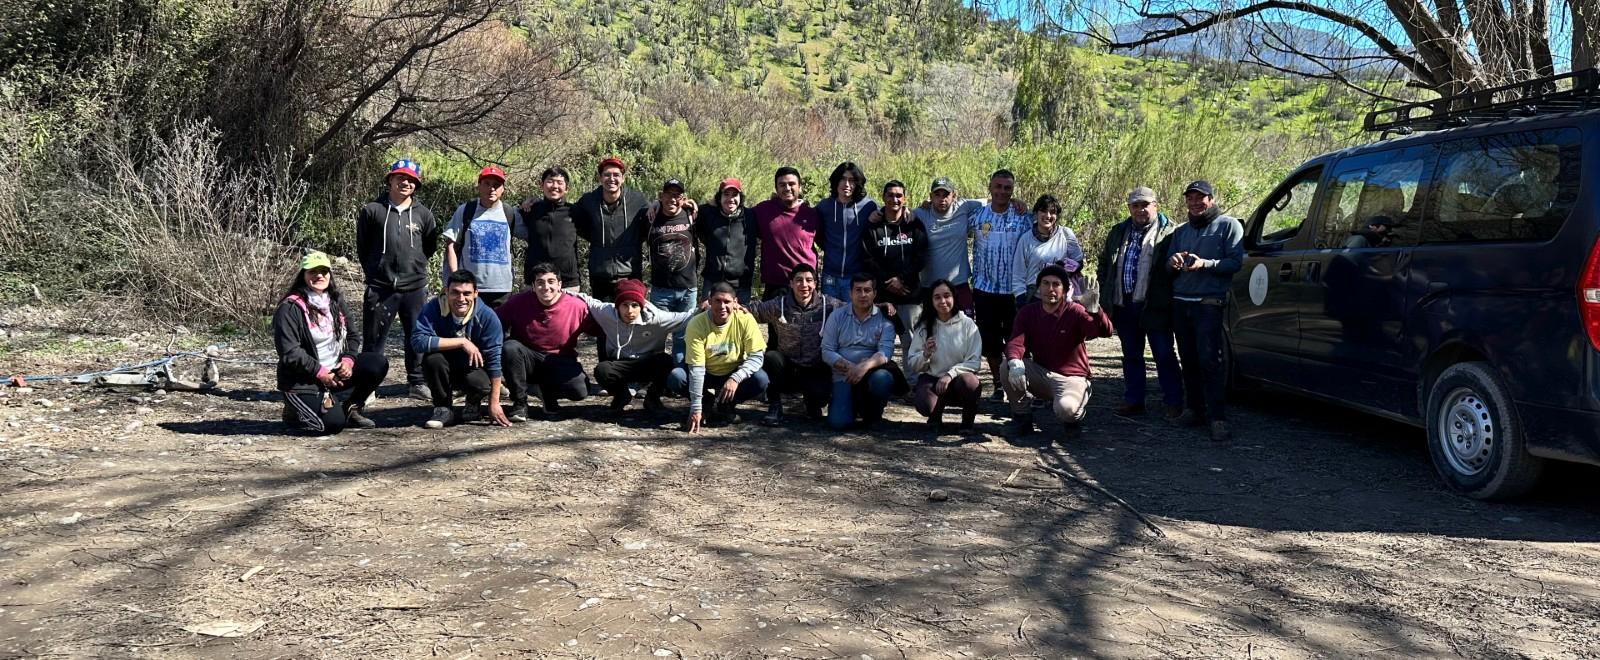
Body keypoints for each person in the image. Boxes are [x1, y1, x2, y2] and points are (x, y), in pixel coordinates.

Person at [274, 251, 387, 434]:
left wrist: (348, 361)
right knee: (333, 425)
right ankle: (295, 411)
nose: (319, 275)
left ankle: (352, 408)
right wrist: (320, 373)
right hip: (304, 380)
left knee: (377, 363)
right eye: (313, 271)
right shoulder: (289, 308)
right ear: (303, 275)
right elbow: (290, 353)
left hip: (334, 372)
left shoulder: (335, 300)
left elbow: (353, 336)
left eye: (324, 271)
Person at [1166, 180, 1245, 441]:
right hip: (1181, 301)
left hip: (1208, 302)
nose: (1195, 203)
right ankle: (1194, 410)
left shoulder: (1228, 225)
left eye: (1200, 198)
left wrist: (1205, 264)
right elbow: (1167, 267)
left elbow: (1235, 262)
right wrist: (1173, 261)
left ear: (1211, 199)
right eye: (1190, 198)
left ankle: (1217, 417)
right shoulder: (1181, 231)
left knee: (1210, 360)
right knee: (1188, 359)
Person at [1095, 186, 1183, 418]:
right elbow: (1104, 263)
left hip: (1155, 305)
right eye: (1135, 205)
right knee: (1131, 355)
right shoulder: (1118, 231)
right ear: (1129, 208)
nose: (1140, 209)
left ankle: (1174, 401)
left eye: (1145, 205)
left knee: (1163, 354)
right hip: (1124, 304)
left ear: (1155, 205)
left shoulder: (1171, 232)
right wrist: (1106, 290)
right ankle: (1134, 400)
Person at [355, 159, 439, 401]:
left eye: (411, 180)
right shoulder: (372, 210)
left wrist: (413, 267)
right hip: (381, 287)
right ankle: (368, 386)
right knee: (374, 340)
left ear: (416, 185)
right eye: (400, 177)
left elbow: (429, 246)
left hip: (415, 287)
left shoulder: (424, 214)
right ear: (390, 180)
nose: (405, 183)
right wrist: (376, 272)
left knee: (417, 336)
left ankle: (417, 382)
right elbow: (363, 247)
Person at [1003, 265, 1113, 439]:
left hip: (1072, 378)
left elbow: (1103, 331)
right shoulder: (1028, 313)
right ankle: (1022, 417)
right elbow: (1016, 342)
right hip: (1042, 374)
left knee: (1066, 409)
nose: (1050, 289)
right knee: (1007, 366)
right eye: (1045, 283)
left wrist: (1095, 311)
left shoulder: (1075, 311)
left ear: (1065, 290)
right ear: (1039, 288)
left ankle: (1072, 420)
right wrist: (1015, 361)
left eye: (1056, 284)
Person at [496, 263, 600, 421]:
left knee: (580, 390)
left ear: (559, 284)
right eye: (540, 282)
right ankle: (520, 403)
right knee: (510, 347)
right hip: (527, 359)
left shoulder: (577, 307)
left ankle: (545, 392)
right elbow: (494, 324)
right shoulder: (517, 302)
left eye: (551, 282)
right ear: (533, 286)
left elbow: (600, 331)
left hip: (560, 359)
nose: (546, 287)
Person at [577, 278, 695, 413]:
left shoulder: (657, 318)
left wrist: (707, 307)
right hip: (620, 364)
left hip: (647, 364)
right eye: (624, 305)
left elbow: (687, 317)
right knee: (602, 369)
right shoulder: (606, 312)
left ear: (641, 306)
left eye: (634, 305)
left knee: (666, 361)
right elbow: (586, 299)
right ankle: (622, 395)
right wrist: (559, 292)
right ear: (617, 306)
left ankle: (653, 398)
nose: (629, 311)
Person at [747, 263, 843, 426]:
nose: (804, 285)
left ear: (815, 284)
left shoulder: (829, 305)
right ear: (791, 284)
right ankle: (775, 405)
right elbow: (752, 310)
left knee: (820, 396)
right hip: (787, 367)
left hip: (815, 367)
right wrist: (727, 305)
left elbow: (855, 309)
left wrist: (882, 307)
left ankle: (812, 404)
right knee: (771, 357)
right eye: (799, 280)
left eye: (809, 280)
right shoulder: (779, 305)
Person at [412, 270, 510, 429]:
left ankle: (473, 402)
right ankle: (443, 408)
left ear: (476, 293)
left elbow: (494, 360)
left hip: (472, 368)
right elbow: (417, 341)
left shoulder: (487, 317)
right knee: (432, 361)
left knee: (481, 384)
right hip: (443, 366)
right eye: (455, 293)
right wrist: (461, 342)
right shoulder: (434, 308)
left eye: (467, 293)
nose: (461, 299)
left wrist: (494, 403)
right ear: (446, 291)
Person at [968, 169, 1034, 403]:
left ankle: (1020, 385)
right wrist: (927, 206)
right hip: (984, 290)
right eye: (998, 186)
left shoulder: (1023, 218)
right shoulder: (977, 215)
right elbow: (949, 211)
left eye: (1008, 188)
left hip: (1015, 291)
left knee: (1019, 341)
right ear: (990, 187)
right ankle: (999, 385)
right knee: (991, 343)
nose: (1002, 192)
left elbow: (1046, 228)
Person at [670, 282, 770, 431]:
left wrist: (736, 378)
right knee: (676, 377)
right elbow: (697, 368)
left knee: (761, 379)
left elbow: (756, 356)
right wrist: (696, 408)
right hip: (706, 371)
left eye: (727, 302)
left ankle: (727, 404)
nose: (722, 306)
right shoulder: (696, 324)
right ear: (710, 301)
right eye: (717, 301)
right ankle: (706, 402)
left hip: (732, 371)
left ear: (735, 302)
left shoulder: (745, 319)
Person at [820, 273, 907, 430]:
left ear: (875, 293)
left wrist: (864, 367)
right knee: (838, 423)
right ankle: (848, 405)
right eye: (858, 290)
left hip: (871, 374)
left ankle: (873, 415)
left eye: (867, 290)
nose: (863, 295)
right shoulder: (837, 316)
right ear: (850, 293)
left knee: (883, 379)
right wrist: (851, 368)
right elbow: (827, 350)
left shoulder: (885, 318)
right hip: (843, 375)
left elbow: (885, 352)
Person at [904, 279, 982, 433]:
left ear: (954, 297)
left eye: (947, 296)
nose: (943, 301)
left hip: (959, 380)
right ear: (931, 301)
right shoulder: (924, 327)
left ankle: (967, 423)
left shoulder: (968, 325)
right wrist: (925, 355)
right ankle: (935, 417)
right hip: (933, 380)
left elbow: (974, 362)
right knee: (924, 404)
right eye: (937, 297)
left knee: (971, 383)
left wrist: (950, 374)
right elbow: (912, 363)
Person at [860, 179, 928, 349]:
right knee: (877, 342)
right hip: (881, 295)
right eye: (890, 195)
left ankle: (910, 369)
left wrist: (901, 279)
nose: (894, 199)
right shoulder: (873, 225)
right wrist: (889, 281)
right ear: (883, 197)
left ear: (904, 199)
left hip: (909, 293)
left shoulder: (914, 224)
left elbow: (921, 257)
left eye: (899, 196)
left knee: (911, 344)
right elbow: (867, 259)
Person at [443, 165, 520, 307]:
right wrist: (455, 277)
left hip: (502, 288)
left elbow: (536, 233)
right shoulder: (466, 210)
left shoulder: (510, 212)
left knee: (498, 322)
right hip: (469, 286)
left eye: (496, 185)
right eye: (487, 184)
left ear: (503, 189)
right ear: (479, 186)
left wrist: (534, 203)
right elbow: (450, 244)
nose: (492, 188)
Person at [573, 156, 650, 299]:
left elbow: (652, 219)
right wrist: (535, 203)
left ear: (623, 178)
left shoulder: (636, 199)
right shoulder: (588, 201)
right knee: (603, 314)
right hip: (600, 275)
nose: (611, 179)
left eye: (616, 175)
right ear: (600, 178)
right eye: (607, 175)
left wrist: (684, 206)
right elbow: (570, 216)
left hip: (630, 275)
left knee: (630, 313)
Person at [645, 178, 699, 365]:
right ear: (661, 196)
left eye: (677, 195)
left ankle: (678, 374)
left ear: (683, 198)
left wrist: (693, 203)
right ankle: (656, 376)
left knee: (683, 337)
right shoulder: (651, 217)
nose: (673, 199)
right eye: (668, 194)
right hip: (661, 290)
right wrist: (653, 204)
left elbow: (717, 206)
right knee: (656, 336)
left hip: (688, 289)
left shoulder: (692, 215)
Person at [753, 166, 820, 300]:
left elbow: (826, 242)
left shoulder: (812, 214)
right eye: (782, 185)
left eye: (791, 184)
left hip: (805, 284)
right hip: (775, 285)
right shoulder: (763, 211)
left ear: (799, 187)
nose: (787, 188)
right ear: (776, 188)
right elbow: (737, 214)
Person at [815, 161, 878, 301]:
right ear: (836, 181)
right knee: (830, 313)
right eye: (843, 179)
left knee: (853, 313)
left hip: (855, 276)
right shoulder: (824, 206)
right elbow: (815, 232)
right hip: (830, 275)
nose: (847, 184)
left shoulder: (868, 206)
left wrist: (907, 210)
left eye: (852, 180)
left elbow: (890, 215)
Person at [518, 167, 582, 293]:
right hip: (535, 281)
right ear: (542, 185)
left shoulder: (575, 211)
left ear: (567, 188)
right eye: (550, 181)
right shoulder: (530, 210)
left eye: (559, 182)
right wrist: (528, 201)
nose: (554, 186)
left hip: (568, 282)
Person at [1011, 194, 1083, 304]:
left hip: (1061, 298)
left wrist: (1064, 267)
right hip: (1035, 298)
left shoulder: (1066, 234)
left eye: (1052, 212)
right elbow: (1018, 274)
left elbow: (1079, 262)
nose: (1048, 216)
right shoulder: (1026, 239)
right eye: (1043, 211)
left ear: (1057, 216)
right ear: (1036, 213)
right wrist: (1021, 301)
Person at [695, 177, 758, 303]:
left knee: (739, 316)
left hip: (741, 286)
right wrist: (658, 204)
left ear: (740, 198)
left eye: (734, 195)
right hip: (712, 283)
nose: (730, 199)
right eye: (726, 194)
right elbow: (685, 209)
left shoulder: (751, 216)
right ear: (719, 197)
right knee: (707, 315)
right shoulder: (708, 214)